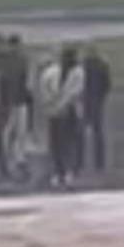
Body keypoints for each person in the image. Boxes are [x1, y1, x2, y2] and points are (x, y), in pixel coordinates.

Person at [38, 46, 86, 187]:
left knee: (69, 143)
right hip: (54, 111)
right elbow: (44, 89)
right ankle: (57, 172)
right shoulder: (51, 72)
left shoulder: (78, 72)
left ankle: (69, 171)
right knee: (55, 143)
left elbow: (75, 92)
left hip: (71, 112)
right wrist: (51, 103)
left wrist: (62, 105)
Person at [0, 34, 33, 180]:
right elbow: (26, 82)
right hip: (16, 100)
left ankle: (12, 156)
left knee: (13, 130)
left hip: (14, 100)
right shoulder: (21, 60)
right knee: (15, 130)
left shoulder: (9, 60)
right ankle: (16, 157)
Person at [81, 46, 112, 172]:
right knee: (98, 133)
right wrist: (101, 97)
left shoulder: (83, 66)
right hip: (97, 102)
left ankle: (79, 162)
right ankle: (100, 162)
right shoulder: (103, 65)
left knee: (80, 133)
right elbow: (107, 85)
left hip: (85, 101)